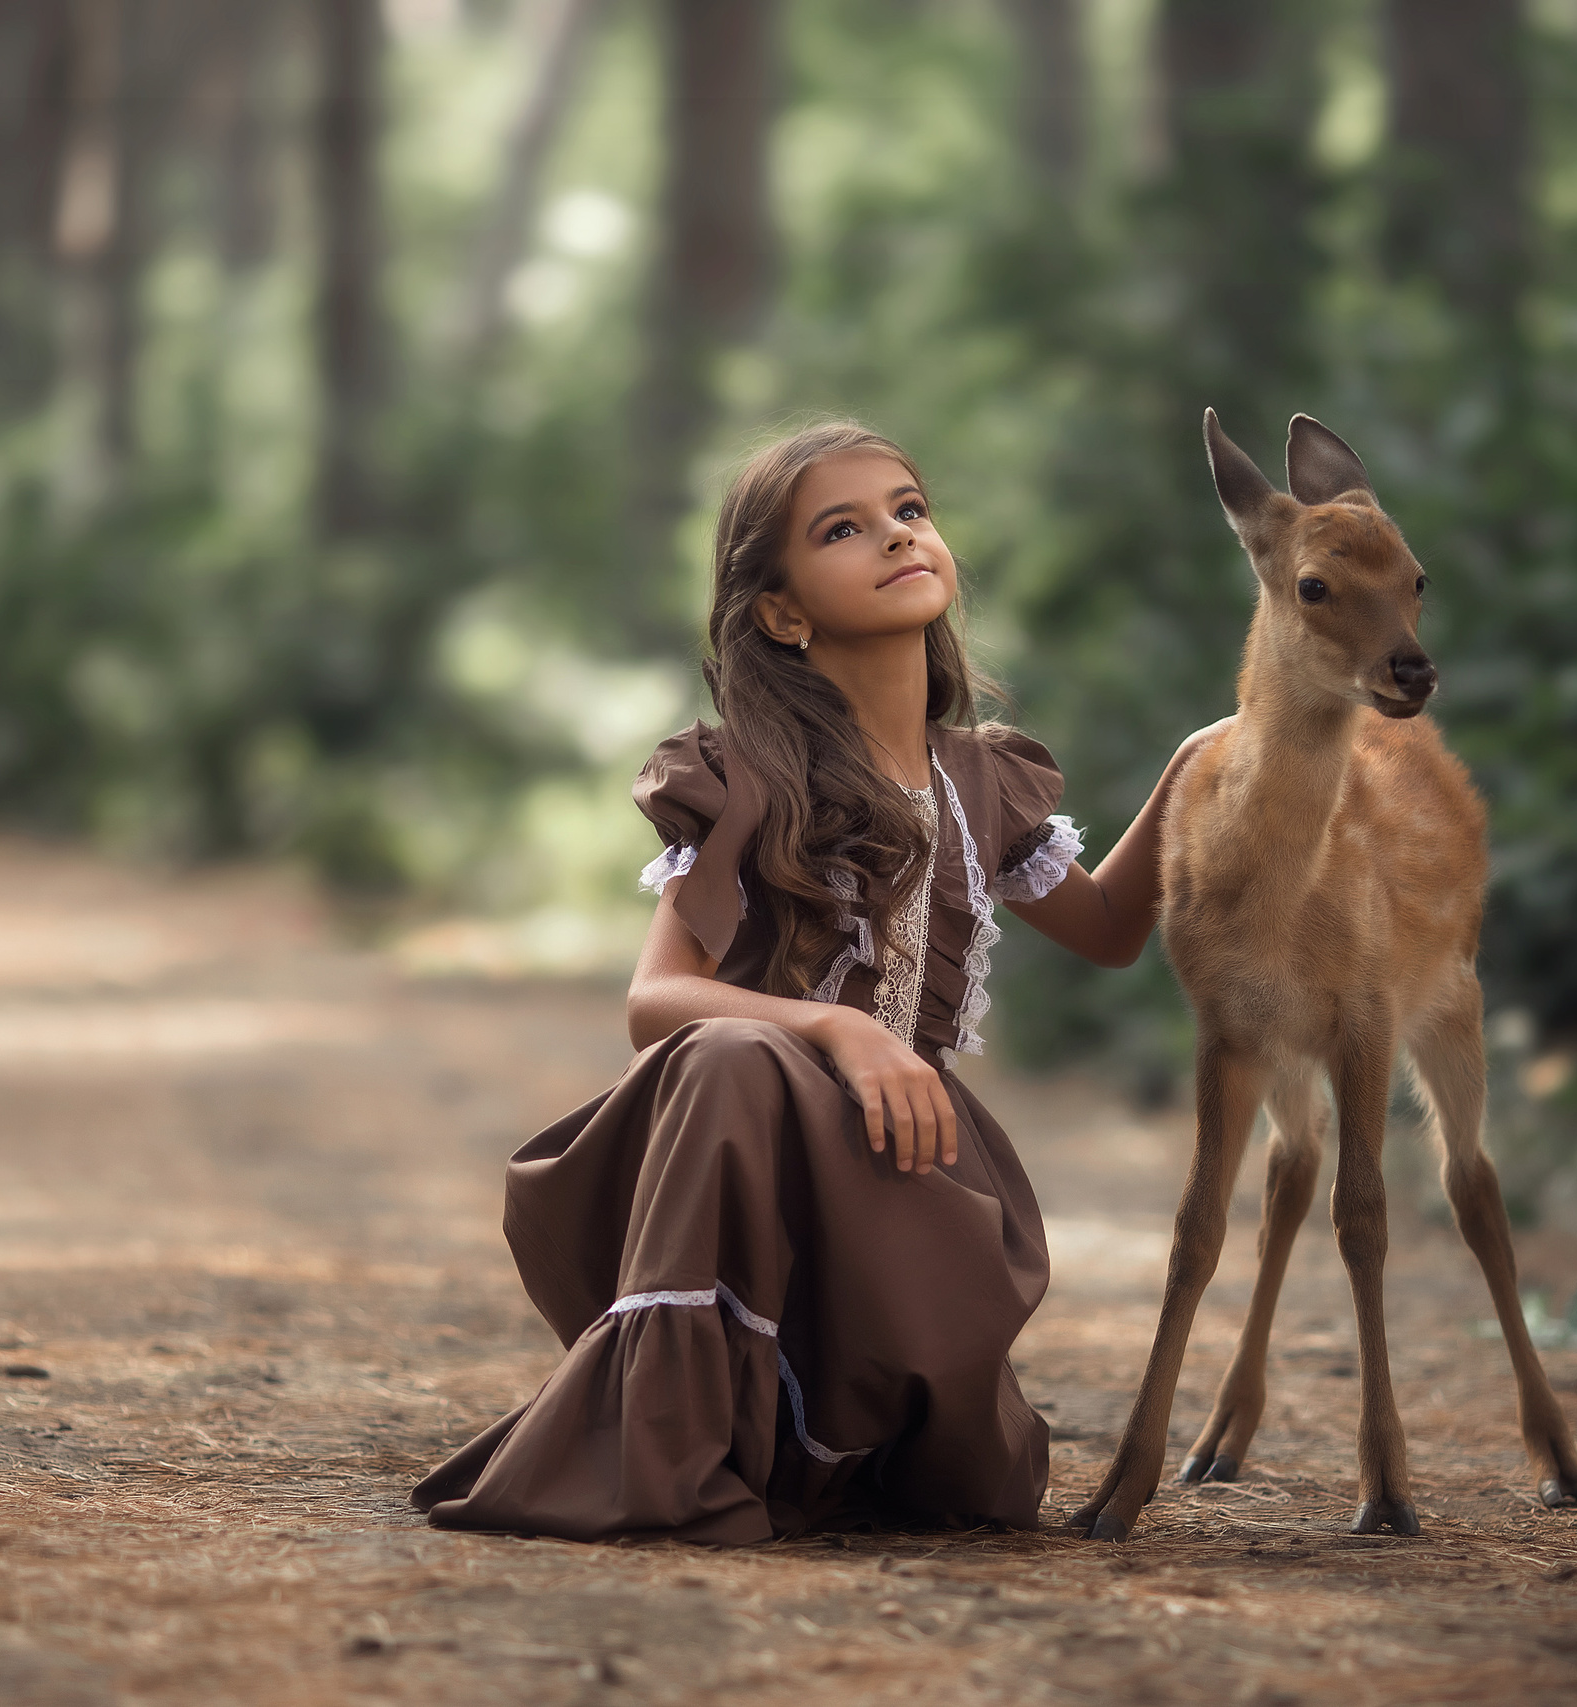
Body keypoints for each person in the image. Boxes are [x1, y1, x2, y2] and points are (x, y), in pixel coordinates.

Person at [411, 421, 1185, 1543]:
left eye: (909, 510)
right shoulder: (738, 774)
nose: (895, 536)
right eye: (843, 529)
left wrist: (1204, 757)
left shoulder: (987, 779)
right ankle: (673, 1445)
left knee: (962, 1495)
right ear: (783, 612)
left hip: (905, 1162)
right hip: (741, 1152)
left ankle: (846, 1425)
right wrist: (835, 1026)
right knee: (733, 1052)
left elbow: (1112, 928)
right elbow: (655, 1004)